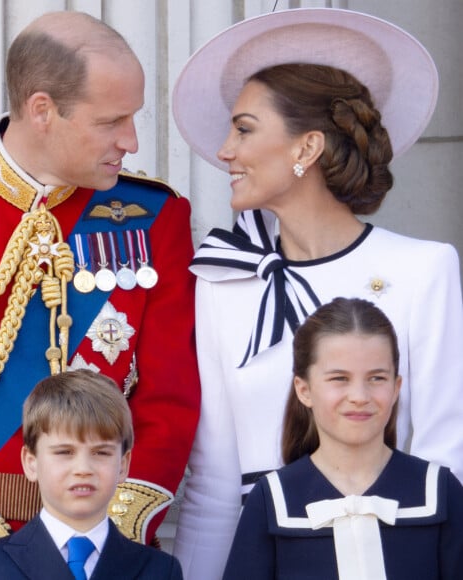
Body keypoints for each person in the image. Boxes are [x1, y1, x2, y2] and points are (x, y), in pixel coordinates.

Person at [0, 11, 199, 579]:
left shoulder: (156, 218)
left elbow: (169, 405)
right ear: (42, 110)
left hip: (97, 552)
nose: (130, 140)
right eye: (112, 120)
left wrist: (110, 542)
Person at [171, 7, 463, 579]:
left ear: (306, 148)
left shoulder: (425, 269)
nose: (225, 150)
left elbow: (444, 458)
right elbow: (212, 486)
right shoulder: (222, 281)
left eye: (245, 129)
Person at [223, 297, 463, 579]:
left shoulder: (438, 490)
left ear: (397, 387)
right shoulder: (272, 499)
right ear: (304, 390)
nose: (360, 397)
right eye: (339, 378)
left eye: (376, 378)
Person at [0, 370, 184, 579]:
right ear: (31, 462)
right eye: (65, 452)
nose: (83, 468)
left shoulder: (161, 571)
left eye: (101, 452)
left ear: (123, 465)